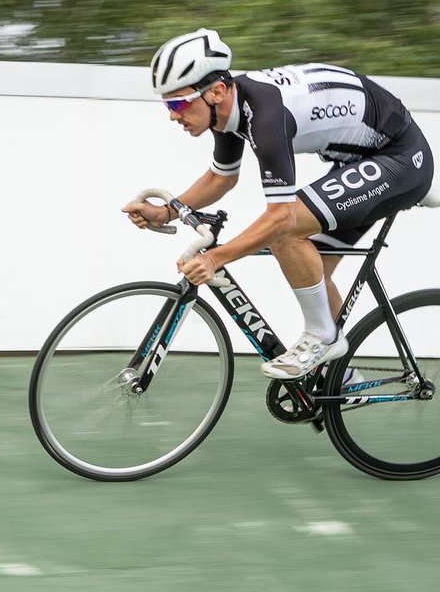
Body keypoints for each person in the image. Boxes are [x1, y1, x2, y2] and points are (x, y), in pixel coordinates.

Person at [124, 27, 433, 380]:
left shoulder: (267, 117)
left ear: (216, 92)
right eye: (168, 104)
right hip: (361, 161)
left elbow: (281, 218)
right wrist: (167, 211)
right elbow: (221, 177)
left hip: (400, 159)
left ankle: (322, 337)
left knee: (286, 233)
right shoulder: (228, 108)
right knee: (310, 268)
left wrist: (214, 259)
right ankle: (341, 381)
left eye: (178, 103)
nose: (172, 115)